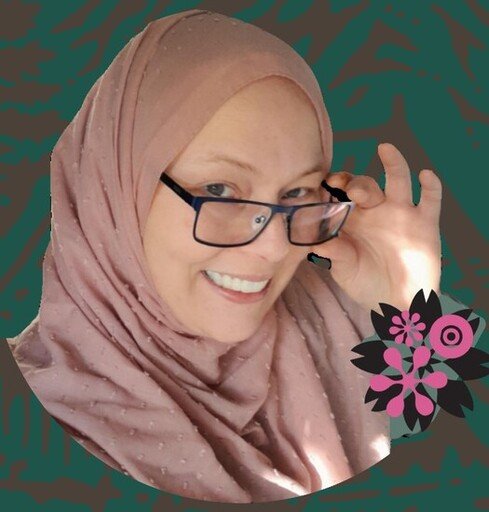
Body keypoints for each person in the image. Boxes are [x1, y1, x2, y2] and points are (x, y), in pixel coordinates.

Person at [6, 8, 443, 503]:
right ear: (113, 190)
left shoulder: (343, 320)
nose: (275, 247)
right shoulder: (31, 435)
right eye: (220, 190)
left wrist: (410, 308)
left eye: (297, 192)